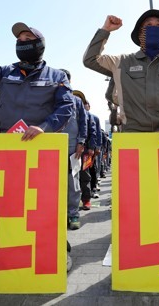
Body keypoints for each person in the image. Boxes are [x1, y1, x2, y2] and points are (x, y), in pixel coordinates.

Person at [83, 9, 159, 144]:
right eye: (148, 25)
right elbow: (90, 59)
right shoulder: (122, 62)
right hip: (134, 138)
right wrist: (105, 30)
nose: (154, 28)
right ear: (140, 33)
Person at [0, 19, 73, 139]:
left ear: (40, 44)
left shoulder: (57, 77)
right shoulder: (3, 74)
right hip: (8, 144)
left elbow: (66, 107)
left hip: (42, 144)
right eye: (19, 40)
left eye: (28, 39)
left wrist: (44, 127)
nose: (22, 42)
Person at [59, 69, 87, 230]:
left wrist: (81, 142)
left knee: (73, 183)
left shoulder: (76, 101)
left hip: (73, 149)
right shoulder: (48, 99)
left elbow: (83, 122)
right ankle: (57, 214)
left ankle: (73, 214)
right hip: (51, 148)